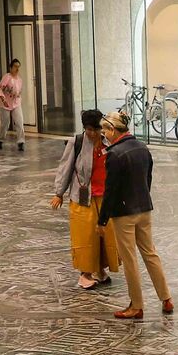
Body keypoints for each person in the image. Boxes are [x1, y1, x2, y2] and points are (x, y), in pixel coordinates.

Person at [97, 112, 173, 320]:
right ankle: (166, 297)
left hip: (124, 214)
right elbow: (148, 178)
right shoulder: (142, 147)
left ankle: (136, 305)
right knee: (150, 253)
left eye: (105, 130)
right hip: (144, 208)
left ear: (113, 130)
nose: (104, 134)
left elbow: (110, 190)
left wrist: (102, 220)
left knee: (129, 259)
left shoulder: (114, 154)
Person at [49, 109, 115, 291]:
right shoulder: (76, 142)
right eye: (88, 129)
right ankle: (85, 274)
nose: (92, 133)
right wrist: (59, 193)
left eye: (96, 129)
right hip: (83, 198)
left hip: (105, 197)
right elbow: (65, 167)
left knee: (105, 236)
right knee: (86, 236)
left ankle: (100, 269)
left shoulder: (108, 142)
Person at [0, 59, 25, 151]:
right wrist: (3, 99)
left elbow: (19, 91)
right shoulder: (7, 77)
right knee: (5, 123)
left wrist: (18, 94)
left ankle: (21, 142)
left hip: (16, 103)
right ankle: (0, 139)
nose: (17, 69)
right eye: (15, 66)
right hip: (4, 104)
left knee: (19, 122)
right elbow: (0, 89)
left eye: (18, 67)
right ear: (11, 67)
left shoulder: (20, 80)